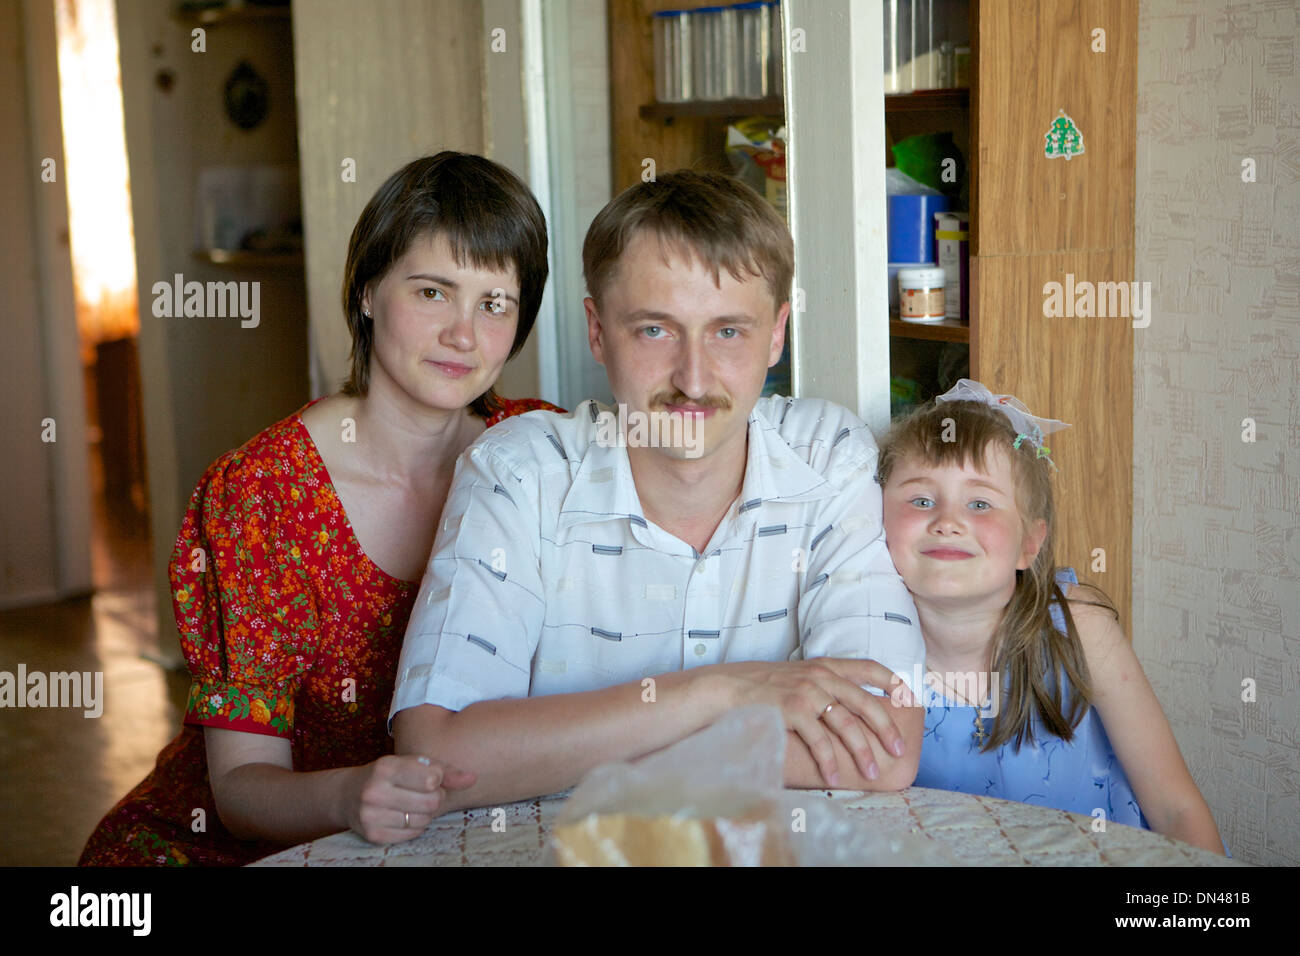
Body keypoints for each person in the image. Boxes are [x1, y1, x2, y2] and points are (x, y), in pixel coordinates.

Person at [390, 170, 927, 810]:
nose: (693, 379)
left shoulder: (829, 455)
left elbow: (880, 747)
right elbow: (434, 757)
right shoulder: (518, 473)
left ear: (777, 333)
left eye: (728, 331)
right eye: (655, 329)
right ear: (597, 330)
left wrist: (550, 754)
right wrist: (722, 692)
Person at [78, 152, 560, 865]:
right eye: (432, 292)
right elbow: (240, 790)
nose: (464, 333)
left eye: (495, 303)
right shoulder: (260, 496)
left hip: (441, 838)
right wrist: (349, 797)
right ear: (367, 292)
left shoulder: (540, 455)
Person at [876, 379, 1226, 854]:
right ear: (875, 521)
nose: (948, 520)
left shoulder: (1080, 629)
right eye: (921, 500)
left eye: (980, 503)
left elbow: (1174, 808)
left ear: (1029, 544)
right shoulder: (865, 647)